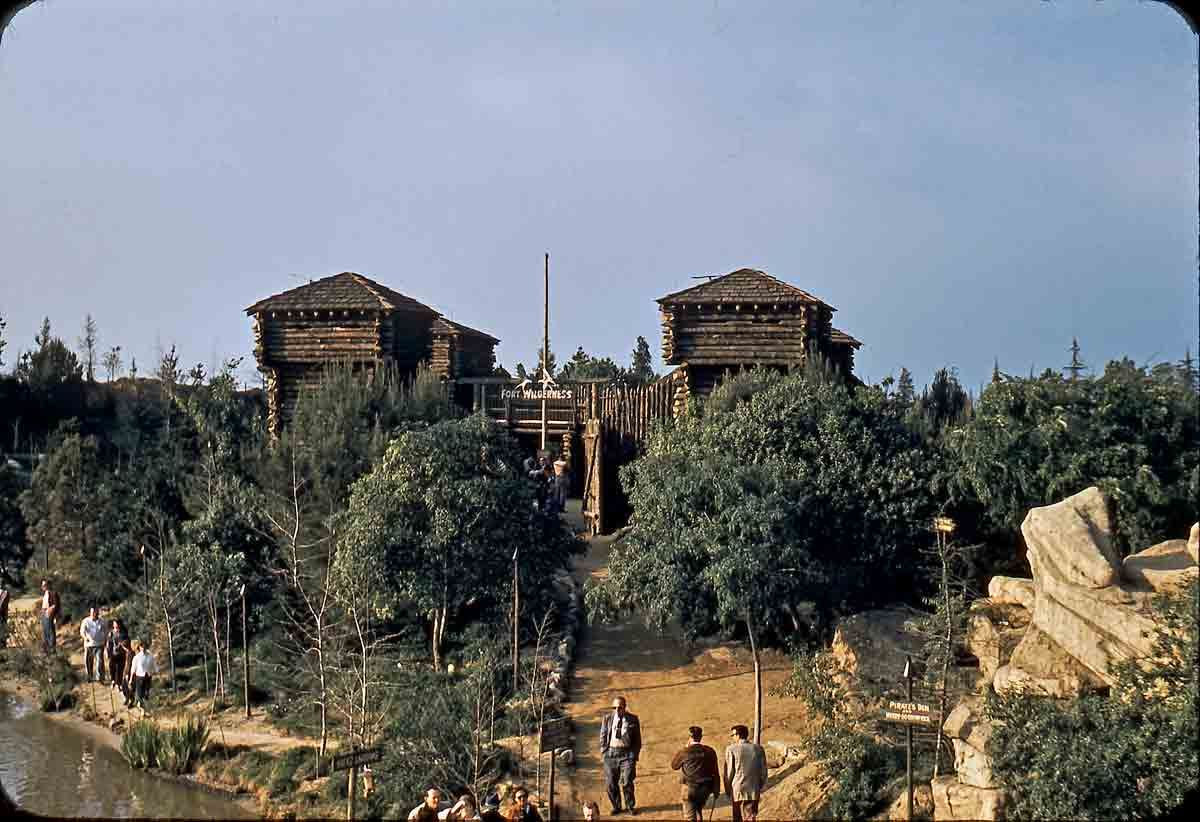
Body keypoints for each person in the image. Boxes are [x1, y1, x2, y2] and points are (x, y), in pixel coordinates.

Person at [600, 696, 641, 816]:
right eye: (614, 708)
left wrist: (634, 755)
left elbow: (637, 740)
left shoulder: (632, 719)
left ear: (625, 707)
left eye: (620, 708)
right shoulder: (607, 718)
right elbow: (603, 735)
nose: (617, 710)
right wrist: (604, 751)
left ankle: (630, 806)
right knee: (610, 783)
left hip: (626, 754)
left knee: (627, 781)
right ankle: (616, 806)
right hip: (611, 754)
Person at [671, 725, 720, 822]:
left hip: (689, 788)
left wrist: (685, 747)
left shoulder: (684, 751)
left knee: (690, 817)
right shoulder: (710, 751)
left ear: (689, 737)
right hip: (705, 789)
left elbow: (674, 766)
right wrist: (716, 789)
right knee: (698, 809)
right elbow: (716, 772)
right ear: (701, 737)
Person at [723, 725, 768, 822]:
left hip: (737, 788)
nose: (733, 737)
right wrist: (759, 785)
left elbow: (729, 772)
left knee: (737, 817)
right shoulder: (758, 749)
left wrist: (727, 787)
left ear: (738, 735)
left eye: (733, 735)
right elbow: (764, 771)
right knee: (750, 817)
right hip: (753, 787)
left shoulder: (731, 749)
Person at [80, 606, 106, 682]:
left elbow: (106, 631)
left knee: (99, 662)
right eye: (92, 612)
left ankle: (100, 678)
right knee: (88, 662)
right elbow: (82, 631)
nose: (93, 614)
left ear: (97, 613)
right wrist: (85, 637)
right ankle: (89, 677)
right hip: (89, 645)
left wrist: (105, 639)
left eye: (95, 612)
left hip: (99, 644)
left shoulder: (102, 621)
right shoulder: (86, 621)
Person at [128, 639, 157, 708]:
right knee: (140, 693)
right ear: (140, 648)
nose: (143, 648)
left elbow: (154, 665)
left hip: (148, 677)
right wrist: (131, 679)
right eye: (142, 647)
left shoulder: (150, 656)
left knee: (146, 693)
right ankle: (140, 705)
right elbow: (133, 669)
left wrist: (156, 672)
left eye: (144, 647)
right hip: (140, 677)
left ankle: (143, 705)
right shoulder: (137, 657)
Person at [106, 618, 131, 695]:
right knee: (112, 667)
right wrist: (108, 652)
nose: (115, 626)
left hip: (121, 654)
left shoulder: (124, 633)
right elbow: (108, 643)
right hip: (113, 654)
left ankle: (118, 684)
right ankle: (113, 680)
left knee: (120, 669)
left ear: (120, 625)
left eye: (117, 624)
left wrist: (123, 644)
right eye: (114, 624)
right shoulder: (111, 633)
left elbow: (127, 641)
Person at [39, 579, 60, 654]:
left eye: (44, 585)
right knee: (45, 632)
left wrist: (50, 611)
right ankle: (46, 650)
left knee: (50, 632)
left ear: (48, 585)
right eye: (42, 585)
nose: (43, 586)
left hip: (49, 614)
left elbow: (56, 605)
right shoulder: (45, 593)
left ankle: (52, 650)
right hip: (44, 614)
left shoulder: (53, 593)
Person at [0, 584, 10, 649]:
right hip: (3, 614)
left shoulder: (5, 593)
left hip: (3, 614)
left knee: (3, 629)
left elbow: (4, 604)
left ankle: (3, 644)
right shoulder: (6, 592)